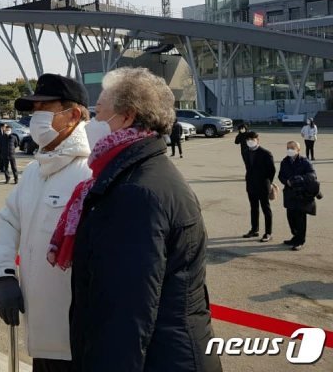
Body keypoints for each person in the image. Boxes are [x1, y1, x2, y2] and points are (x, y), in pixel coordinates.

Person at [53, 67, 221, 371]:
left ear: (127, 117)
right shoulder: (141, 174)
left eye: (98, 111)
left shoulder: (135, 193)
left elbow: (124, 316)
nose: (91, 122)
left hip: (160, 359)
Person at [0, 73, 91, 372]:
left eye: (43, 109)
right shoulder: (35, 171)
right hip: (41, 338)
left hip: (78, 343)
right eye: (33, 111)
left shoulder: (90, 173)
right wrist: (4, 275)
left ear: (72, 115)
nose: (35, 118)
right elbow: (8, 220)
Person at [278, 141, 320, 251]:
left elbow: (312, 175)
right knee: (290, 217)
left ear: (298, 150)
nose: (289, 150)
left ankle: (300, 240)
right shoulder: (284, 161)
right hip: (289, 193)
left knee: (300, 218)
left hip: (301, 194)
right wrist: (286, 181)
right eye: (288, 147)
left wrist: (299, 179)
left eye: (292, 147)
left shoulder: (305, 161)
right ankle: (295, 236)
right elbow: (280, 175)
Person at [242, 131, 275, 242]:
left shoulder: (266, 153)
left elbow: (272, 170)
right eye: (248, 140)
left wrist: (269, 183)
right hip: (251, 185)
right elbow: (248, 168)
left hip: (262, 185)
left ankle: (268, 232)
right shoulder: (246, 152)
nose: (250, 142)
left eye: (252, 139)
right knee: (254, 208)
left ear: (257, 140)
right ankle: (254, 229)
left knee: (266, 208)